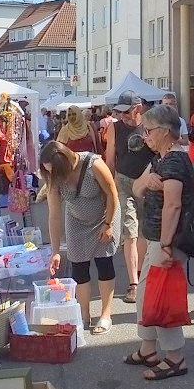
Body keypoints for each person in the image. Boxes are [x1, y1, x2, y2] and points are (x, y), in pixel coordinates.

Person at [126, 104, 194, 380]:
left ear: (166, 131)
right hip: (156, 237)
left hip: (168, 241)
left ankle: (175, 357)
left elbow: (173, 206)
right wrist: (149, 180)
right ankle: (148, 348)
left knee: (159, 297)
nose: (145, 136)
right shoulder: (159, 159)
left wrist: (166, 243)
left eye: (149, 130)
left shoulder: (175, 161)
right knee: (148, 294)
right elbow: (136, 188)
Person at [40, 140, 120, 334]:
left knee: (104, 264)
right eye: (47, 171)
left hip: (103, 217)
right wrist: (56, 251)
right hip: (76, 221)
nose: (52, 175)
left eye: (54, 171)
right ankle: (84, 315)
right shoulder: (53, 179)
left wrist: (108, 225)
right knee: (79, 267)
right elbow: (54, 215)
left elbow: (112, 194)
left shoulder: (93, 164)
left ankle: (106, 314)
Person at [104, 91, 154, 303]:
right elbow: (110, 158)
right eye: (119, 111)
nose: (122, 116)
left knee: (144, 231)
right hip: (124, 182)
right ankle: (134, 282)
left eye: (126, 112)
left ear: (138, 109)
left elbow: (161, 151)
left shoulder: (151, 124)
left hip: (148, 182)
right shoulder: (114, 127)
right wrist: (109, 187)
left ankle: (142, 275)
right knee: (129, 232)